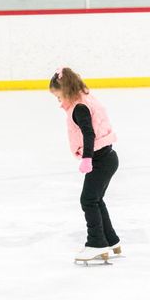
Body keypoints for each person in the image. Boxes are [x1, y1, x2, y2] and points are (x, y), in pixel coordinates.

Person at [49, 67, 121, 262]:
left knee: (88, 200)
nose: (59, 102)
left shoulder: (79, 107)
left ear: (66, 91)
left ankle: (96, 243)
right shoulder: (86, 97)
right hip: (108, 156)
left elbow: (88, 133)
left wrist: (87, 158)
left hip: (99, 159)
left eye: (58, 97)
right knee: (96, 199)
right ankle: (111, 240)